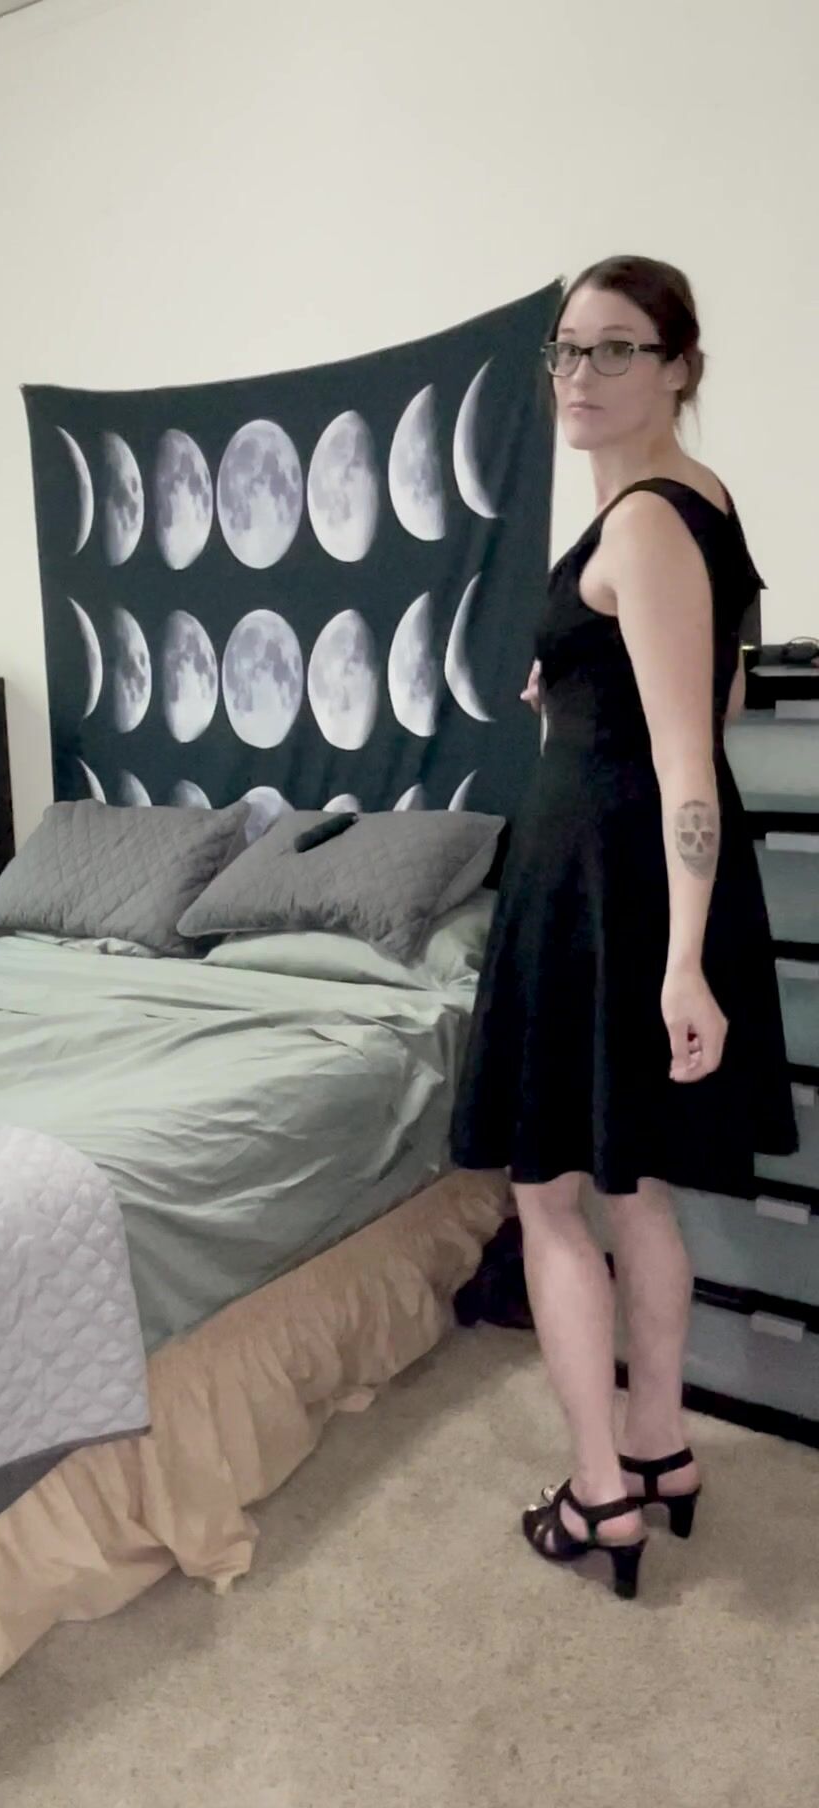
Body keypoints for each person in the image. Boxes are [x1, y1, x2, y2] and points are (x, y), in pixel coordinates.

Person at [449, 255, 800, 1599]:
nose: (579, 376)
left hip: (605, 884)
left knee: (550, 1196)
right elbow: (704, 698)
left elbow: (690, 758)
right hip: (619, 871)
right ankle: (659, 1446)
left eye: (615, 349)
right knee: (633, 1182)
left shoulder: (646, 521)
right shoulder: (700, 504)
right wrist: (576, 691)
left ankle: (599, 1495)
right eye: (566, 350)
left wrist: (684, 962)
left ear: (679, 368)